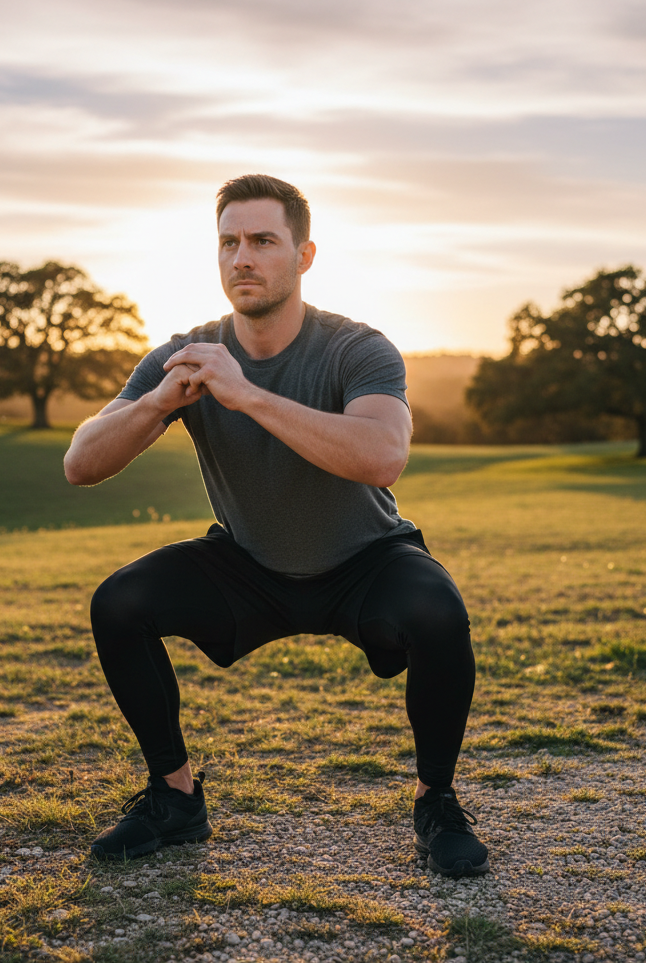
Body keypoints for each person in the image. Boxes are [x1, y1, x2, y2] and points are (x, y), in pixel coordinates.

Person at [63, 174, 488, 877]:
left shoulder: (357, 348)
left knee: (438, 611)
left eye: (263, 240)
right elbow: (82, 462)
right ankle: (174, 798)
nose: (242, 258)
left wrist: (248, 396)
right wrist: (160, 401)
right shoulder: (187, 353)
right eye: (228, 242)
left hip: (364, 561)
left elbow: (382, 455)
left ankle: (435, 801)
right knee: (119, 602)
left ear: (304, 255)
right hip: (248, 563)